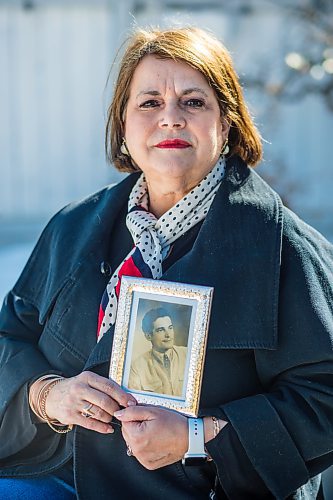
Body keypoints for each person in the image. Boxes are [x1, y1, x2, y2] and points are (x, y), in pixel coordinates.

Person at [0, 25, 333, 500]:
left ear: (228, 122)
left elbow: (324, 396)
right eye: (149, 102)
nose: (171, 118)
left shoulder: (286, 247)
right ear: (123, 124)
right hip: (61, 474)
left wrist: (199, 436)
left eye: (193, 102)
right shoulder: (71, 229)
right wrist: (47, 395)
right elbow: (9, 336)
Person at [128, 307, 187, 396]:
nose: (168, 335)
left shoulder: (188, 355)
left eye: (170, 328)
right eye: (161, 330)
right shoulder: (137, 367)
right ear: (148, 336)